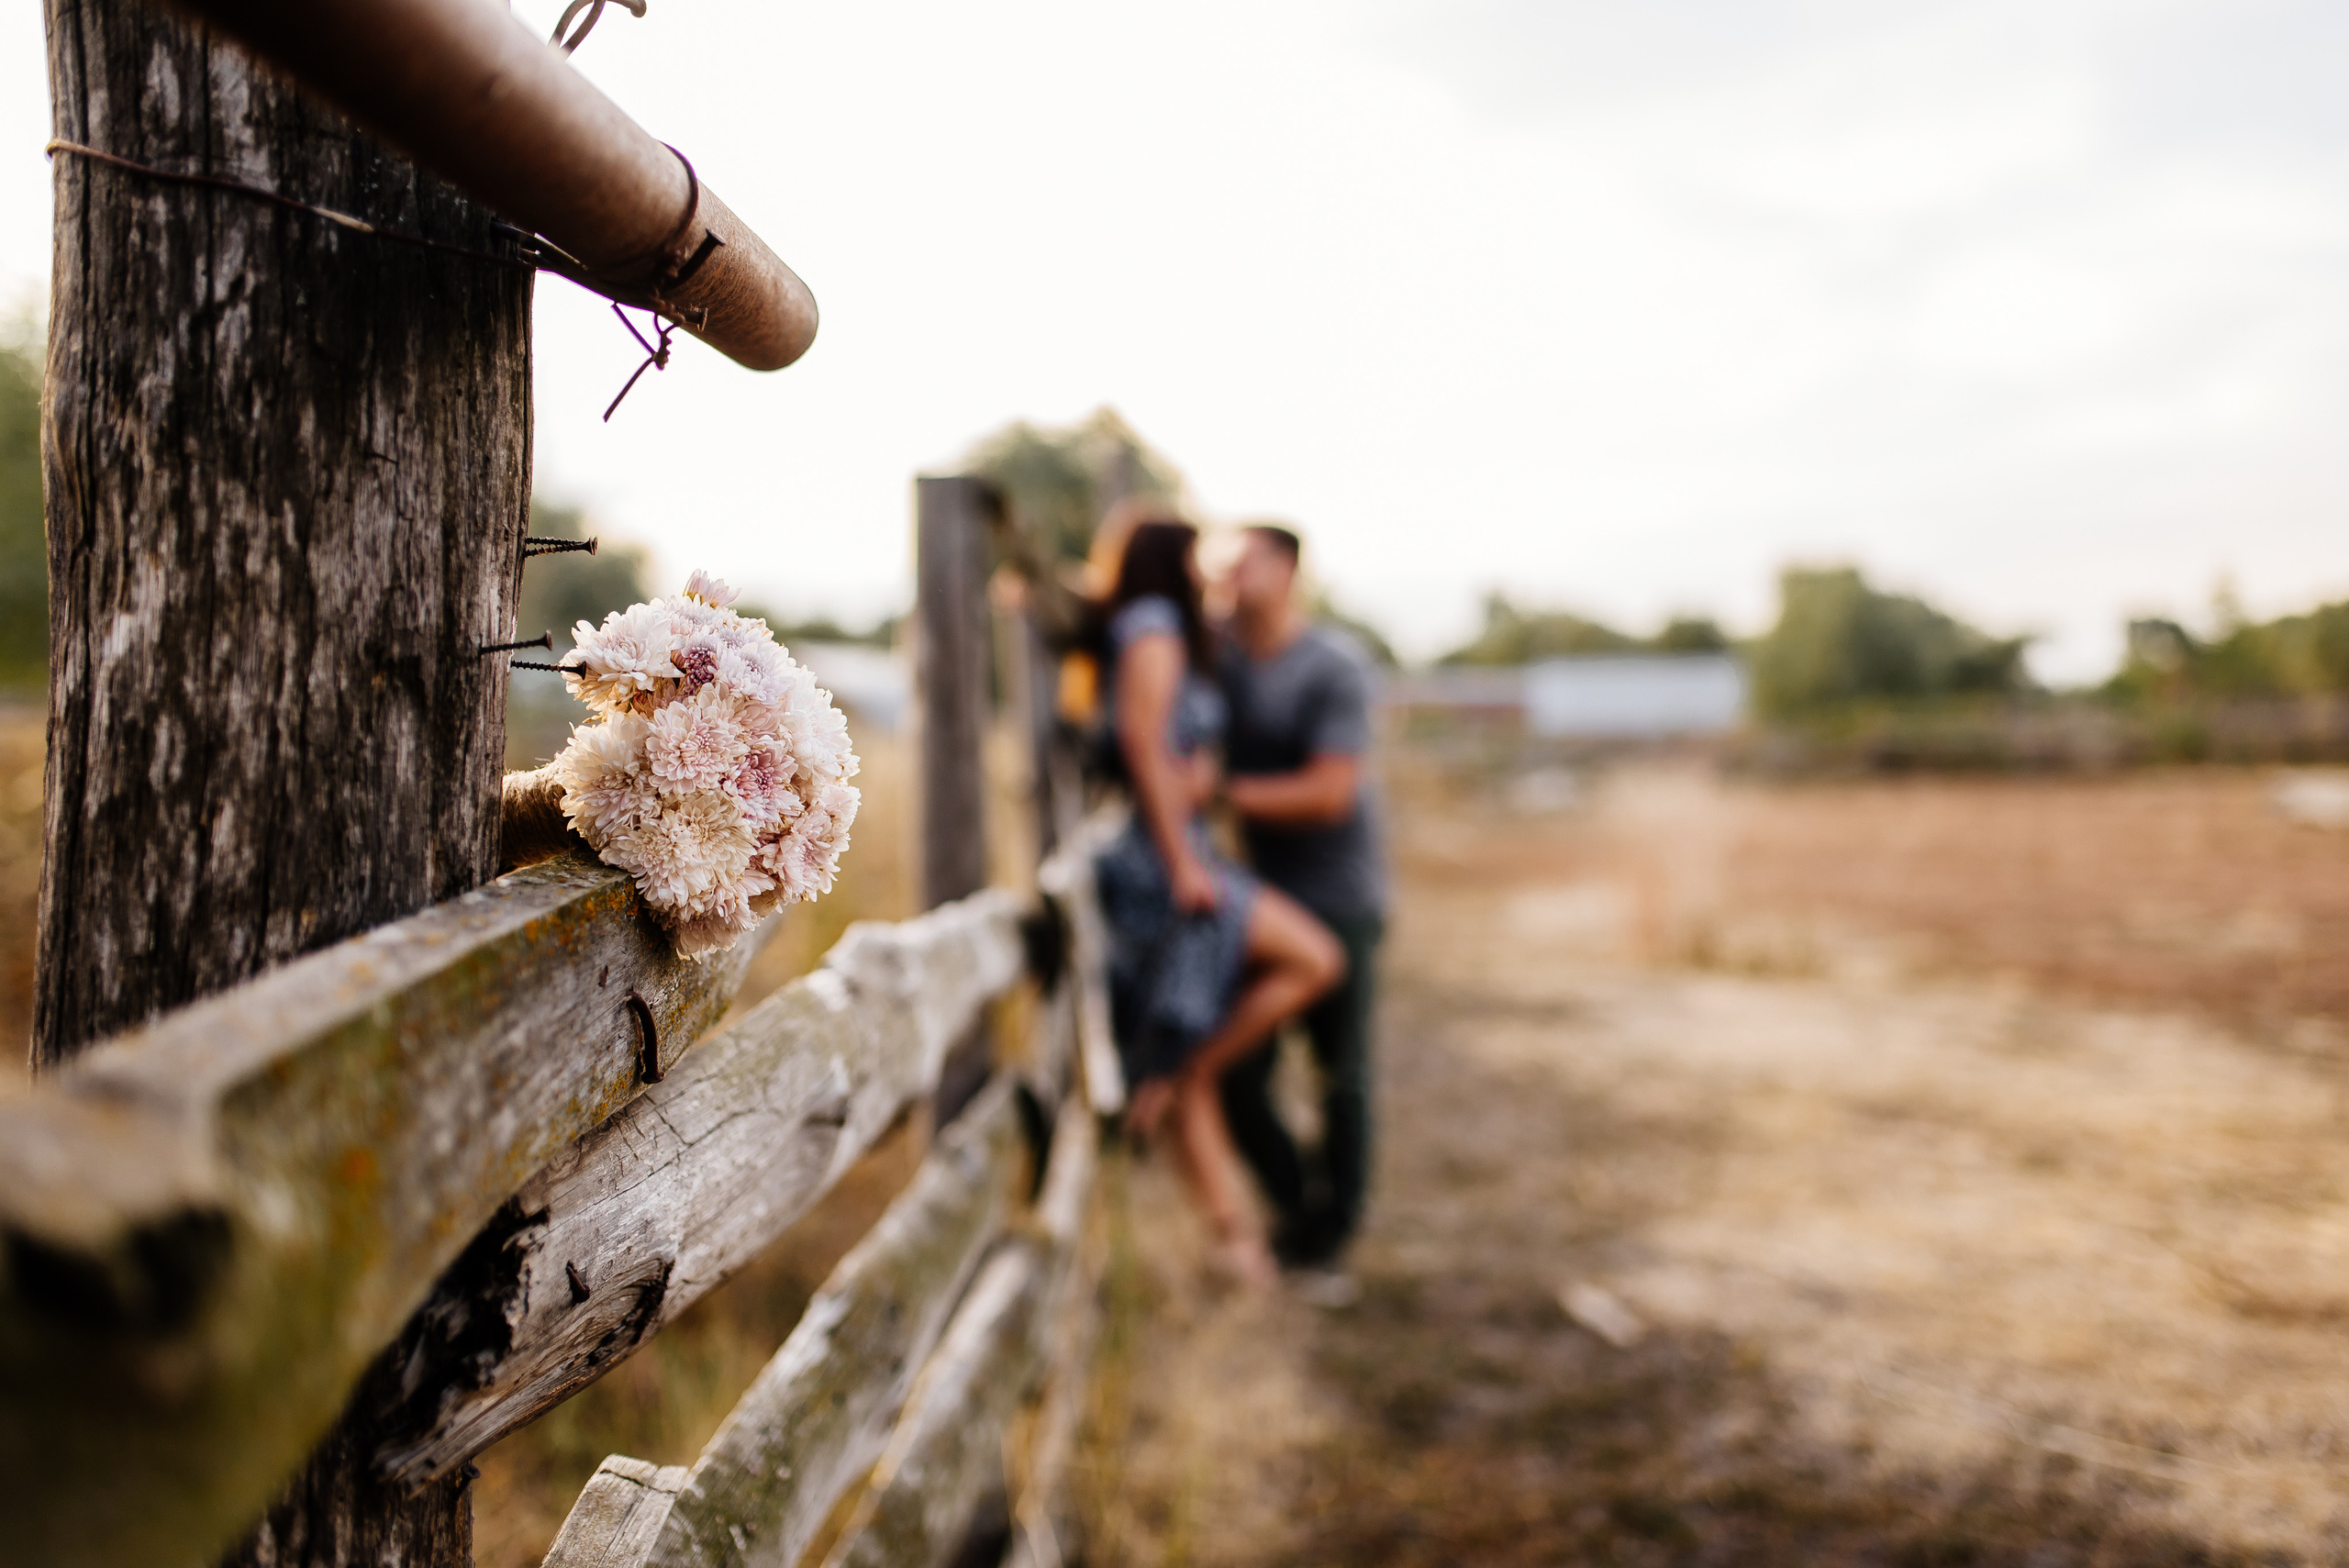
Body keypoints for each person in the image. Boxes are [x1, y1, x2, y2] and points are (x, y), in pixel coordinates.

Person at [1093, 515, 1345, 1288]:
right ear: (1170, 560)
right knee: (1316, 957)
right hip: (1166, 861)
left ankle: (1236, 1242)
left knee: (1193, 1051)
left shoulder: (1163, 624)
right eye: (1197, 557)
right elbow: (1142, 737)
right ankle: (1236, 1240)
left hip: (1184, 851)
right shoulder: (1156, 623)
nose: (1209, 571)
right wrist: (1181, 862)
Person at [1214, 523, 1388, 1269]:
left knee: (1338, 1072)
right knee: (1236, 1068)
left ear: (1286, 570)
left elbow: (1330, 792)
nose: (1228, 569)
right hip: (1265, 897)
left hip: (1340, 895)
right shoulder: (1220, 652)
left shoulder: (1333, 666)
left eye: (1245, 558)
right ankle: (1296, 1210)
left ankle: (1331, 1238)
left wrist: (1217, 792)